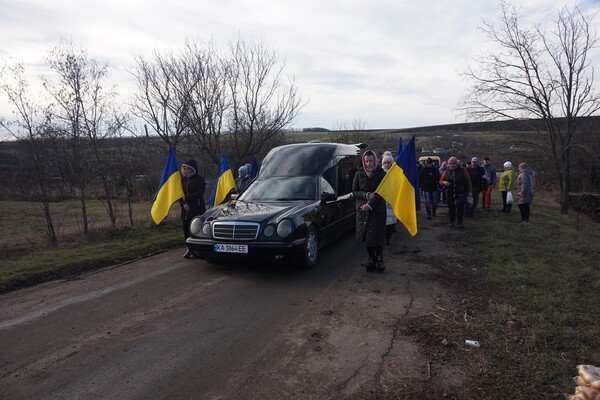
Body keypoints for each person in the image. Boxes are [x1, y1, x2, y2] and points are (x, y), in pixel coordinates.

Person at [352, 150, 387, 272]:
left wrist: (370, 205)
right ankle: (371, 259)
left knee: (377, 237)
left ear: (375, 160)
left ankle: (379, 259)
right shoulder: (359, 174)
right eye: (366, 161)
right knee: (367, 237)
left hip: (377, 211)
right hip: (362, 211)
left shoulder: (382, 174)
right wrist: (366, 195)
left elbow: (382, 193)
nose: (369, 163)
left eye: (371, 161)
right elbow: (354, 191)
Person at [180, 160, 206, 258]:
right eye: (185, 169)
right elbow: (179, 194)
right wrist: (182, 204)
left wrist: (186, 198)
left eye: (188, 169)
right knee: (185, 229)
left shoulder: (199, 180)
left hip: (197, 208)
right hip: (185, 210)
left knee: (196, 229)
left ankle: (199, 248)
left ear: (193, 169)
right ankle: (189, 248)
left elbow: (200, 193)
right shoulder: (182, 180)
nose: (187, 171)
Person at [439, 156, 473, 228]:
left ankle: (460, 222)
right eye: (450, 164)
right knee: (451, 208)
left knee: (460, 208)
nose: (451, 165)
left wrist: (469, 193)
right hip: (450, 193)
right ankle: (452, 222)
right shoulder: (446, 171)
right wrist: (444, 182)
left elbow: (469, 182)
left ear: (456, 163)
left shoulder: (463, 171)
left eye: (453, 163)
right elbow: (440, 181)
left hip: (461, 193)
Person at [381, 154, 397, 245]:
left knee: (391, 221)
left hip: (391, 199)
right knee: (383, 222)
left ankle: (388, 238)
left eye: (388, 163)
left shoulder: (395, 173)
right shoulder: (379, 173)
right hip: (382, 200)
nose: (387, 165)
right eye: (385, 163)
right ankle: (383, 237)